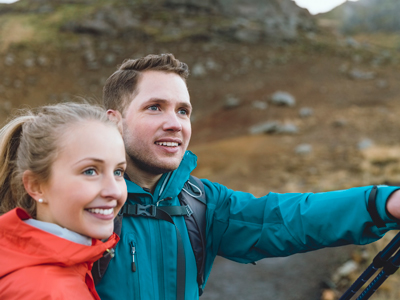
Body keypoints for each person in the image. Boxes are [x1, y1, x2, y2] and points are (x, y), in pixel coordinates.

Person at [94, 53, 400, 300]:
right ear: (115, 121)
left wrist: (382, 203)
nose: (175, 124)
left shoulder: (201, 203)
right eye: (155, 107)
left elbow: (281, 219)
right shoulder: (74, 202)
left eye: (183, 111)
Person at [0, 102, 127, 300]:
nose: (114, 191)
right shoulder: (45, 291)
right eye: (90, 171)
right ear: (35, 185)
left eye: (118, 172)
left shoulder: (68, 268)